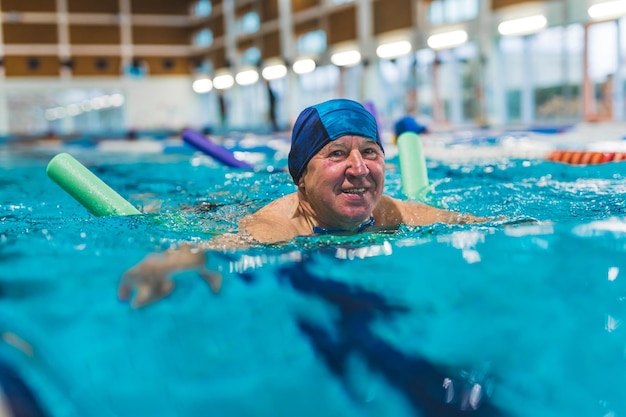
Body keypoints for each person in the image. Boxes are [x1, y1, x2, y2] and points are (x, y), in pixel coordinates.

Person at [119, 98, 489, 307]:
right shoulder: (277, 228)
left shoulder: (394, 212)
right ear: (300, 177)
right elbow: (211, 248)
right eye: (337, 153)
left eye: (370, 152)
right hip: (227, 206)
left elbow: (491, 223)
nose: (359, 169)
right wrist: (166, 264)